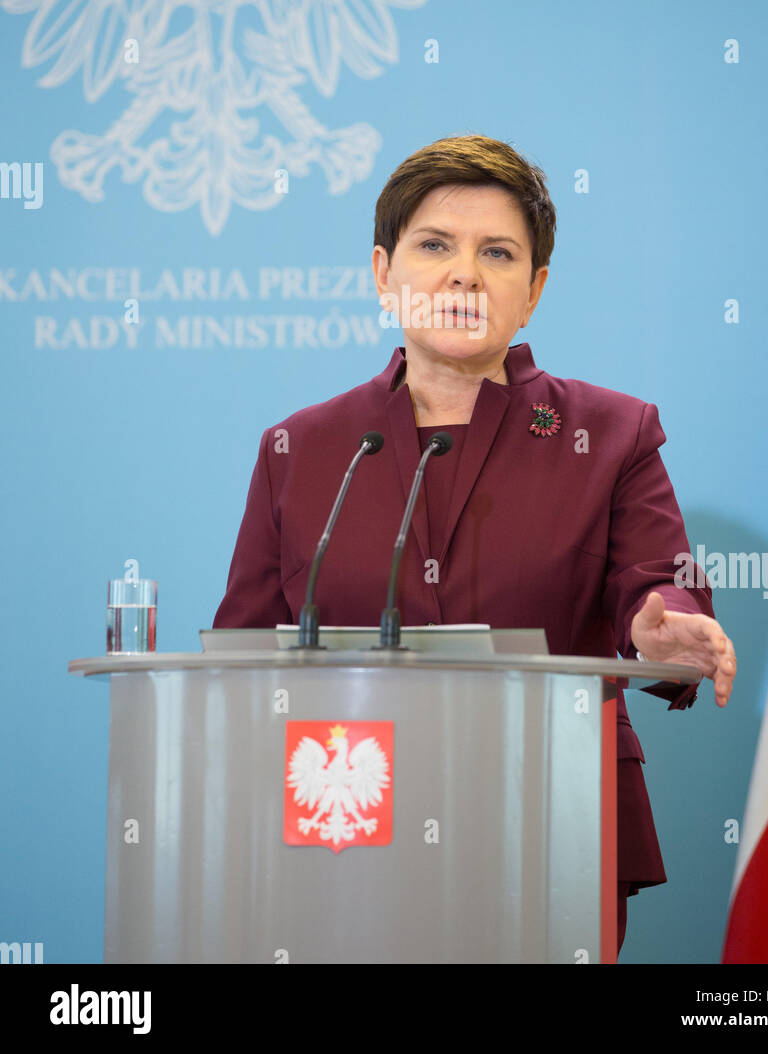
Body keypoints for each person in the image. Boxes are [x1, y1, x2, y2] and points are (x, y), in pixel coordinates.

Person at [214, 133, 737, 958]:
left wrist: (660, 622)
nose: (463, 274)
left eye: (496, 253)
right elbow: (242, 655)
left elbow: (658, 581)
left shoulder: (608, 433)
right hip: (344, 828)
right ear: (383, 275)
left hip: (547, 821)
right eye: (434, 246)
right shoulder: (304, 446)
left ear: (532, 292)